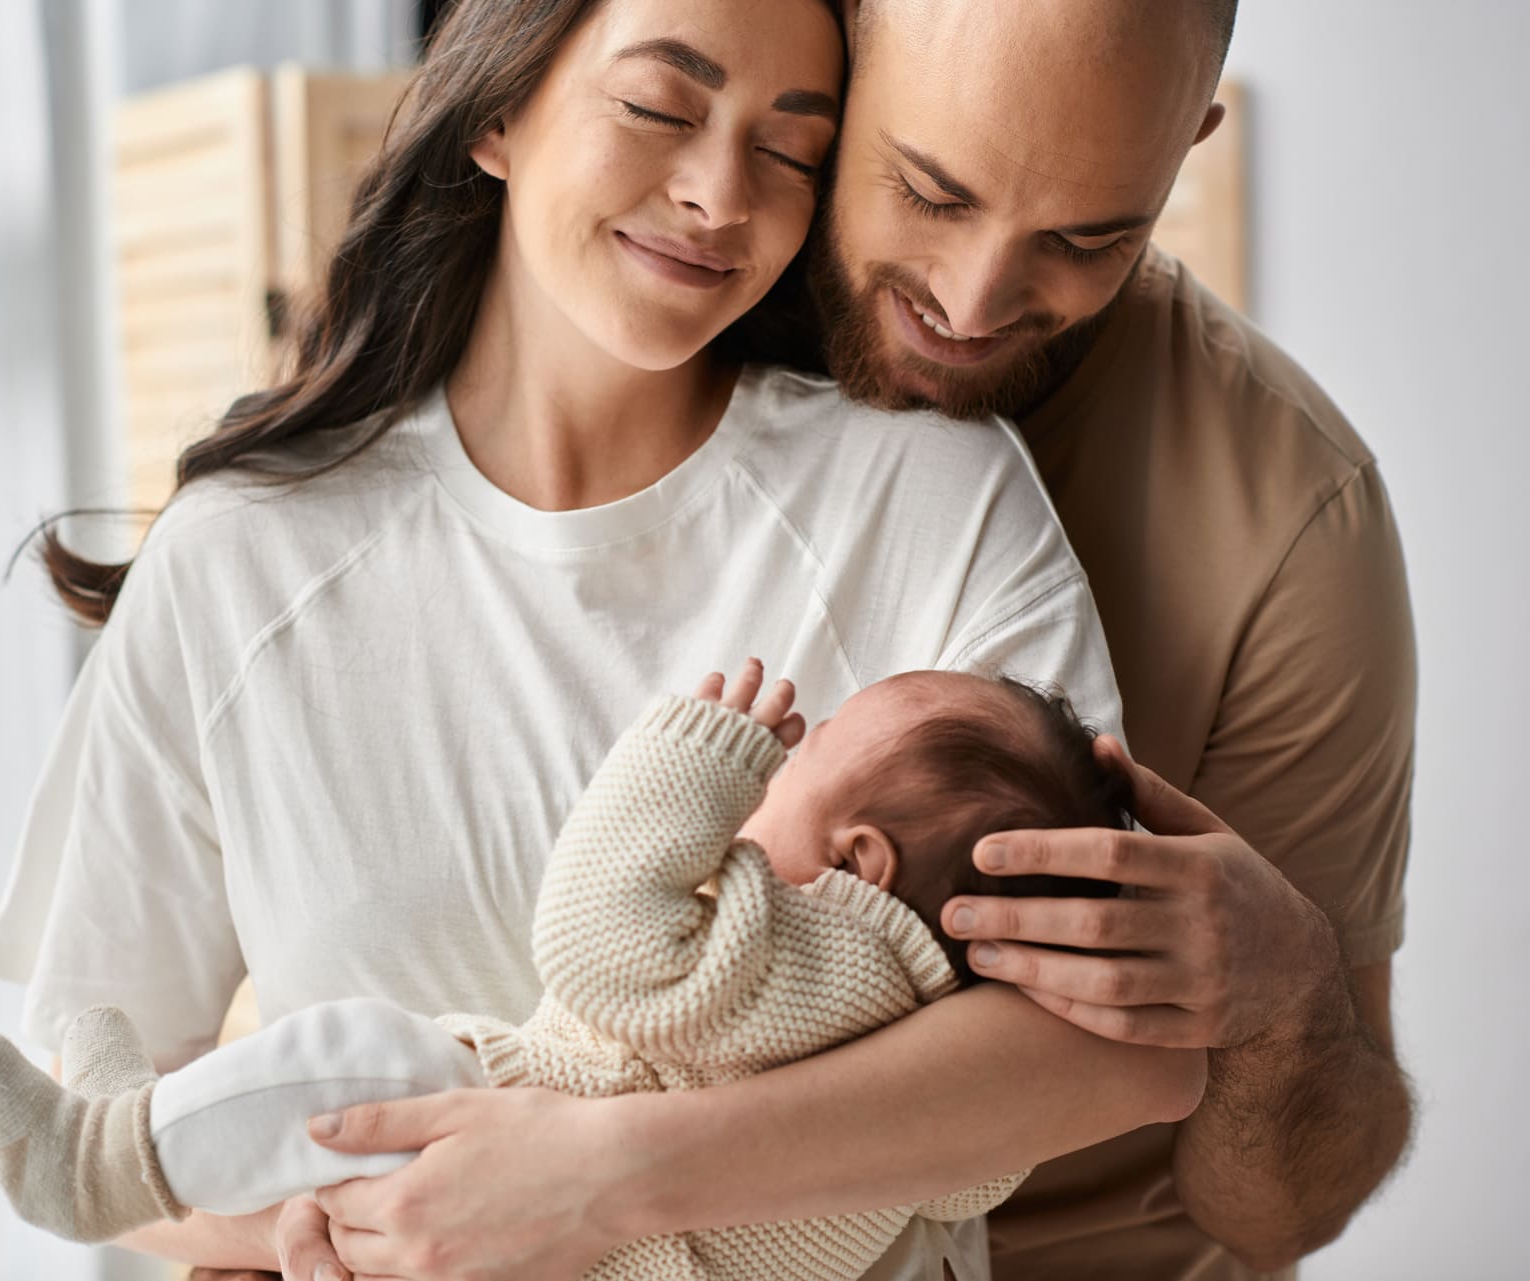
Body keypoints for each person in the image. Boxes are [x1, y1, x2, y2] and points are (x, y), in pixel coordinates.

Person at [0, 0, 1206, 1278]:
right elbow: (100, 1116)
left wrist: (600, 1184)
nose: (721, 196)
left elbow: (1125, 1042)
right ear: (498, 106)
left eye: (791, 154)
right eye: (660, 109)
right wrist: (347, 1225)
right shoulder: (242, 558)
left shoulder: (927, 494)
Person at [278, 2, 1416, 1279]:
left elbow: (1281, 1209)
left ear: (1185, 150)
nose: (973, 301)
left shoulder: (1288, 515)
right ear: (840, 62)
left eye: (1091, 239)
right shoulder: (654, 292)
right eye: (928, 191)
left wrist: (1283, 1000)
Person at [0, 663, 1130, 1277]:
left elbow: (597, 945)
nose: (770, 779)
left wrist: (686, 762)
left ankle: (98, 1152)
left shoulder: (817, 957)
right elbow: (971, 1178)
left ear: (859, 860)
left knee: (371, 1063)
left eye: (808, 760)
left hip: (579, 1213)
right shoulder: (940, 1086)